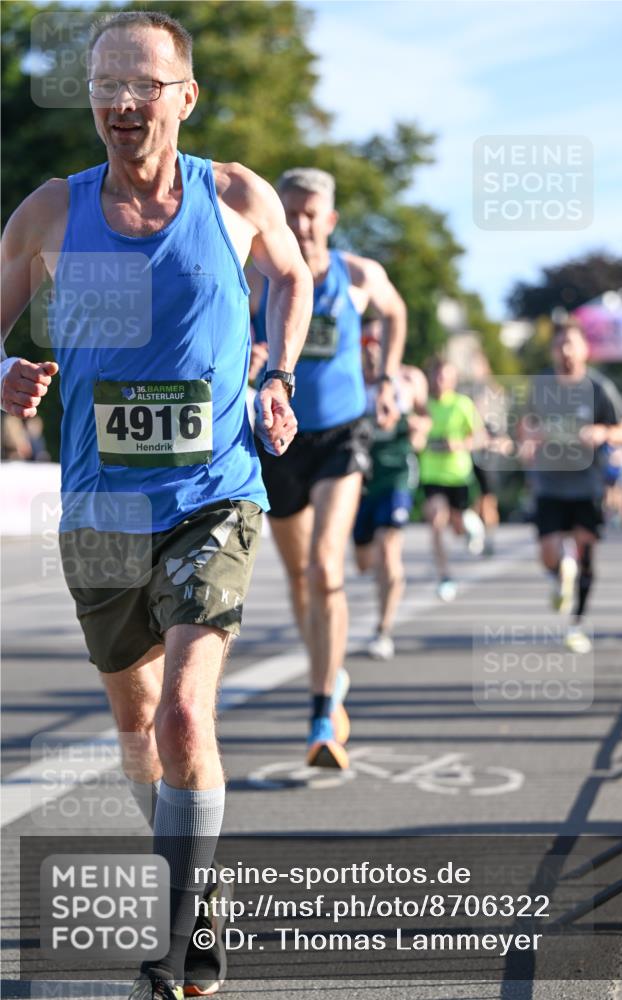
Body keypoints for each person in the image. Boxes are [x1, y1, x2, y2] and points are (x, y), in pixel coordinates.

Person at [0, 11, 312, 1000]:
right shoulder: (53, 209)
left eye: (143, 85)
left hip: (213, 490)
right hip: (100, 506)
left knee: (183, 715)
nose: (121, 103)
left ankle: (181, 935)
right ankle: (196, 887)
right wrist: (7, 367)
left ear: (183, 96)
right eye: (105, 86)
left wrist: (280, 373)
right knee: (136, 725)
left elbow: (291, 279)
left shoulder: (232, 196)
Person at [248, 167, 406, 769]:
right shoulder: (260, 279)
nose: (302, 224)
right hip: (282, 435)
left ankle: (320, 712)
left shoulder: (359, 276)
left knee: (323, 564)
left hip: (344, 431)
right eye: (290, 212)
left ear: (331, 219)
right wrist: (252, 353)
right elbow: (233, 338)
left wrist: (387, 377)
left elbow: (396, 314)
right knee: (296, 577)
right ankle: (329, 673)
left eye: (313, 213)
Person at [520, 320, 622, 653]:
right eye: (560, 345)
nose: (566, 351)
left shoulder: (599, 388)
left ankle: (576, 623)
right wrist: (531, 439)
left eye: (572, 344)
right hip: (549, 484)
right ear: (553, 350)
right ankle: (559, 576)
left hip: (587, 484)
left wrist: (603, 433)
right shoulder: (540, 385)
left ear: (585, 349)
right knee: (548, 553)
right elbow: (525, 426)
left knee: (585, 552)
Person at [353, 319, 431, 660]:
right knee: (364, 562)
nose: (373, 348)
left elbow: (426, 417)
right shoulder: (351, 381)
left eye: (380, 341)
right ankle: (384, 584)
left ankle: (383, 629)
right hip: (359, 479)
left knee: (389, 551)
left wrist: (419, 430)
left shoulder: (410, 379)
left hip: (398, 472)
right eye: (367, 340)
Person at [419, 357, 486, 601]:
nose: (440, 381)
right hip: (431, 476)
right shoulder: (423, 405)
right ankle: (445, 576)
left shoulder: (462, 404)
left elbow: (480, 438)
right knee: (436, 520)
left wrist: (458, 444)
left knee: (456, 527)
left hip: (458, 476)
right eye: (436, 376)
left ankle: (469, 522)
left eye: (445, 377)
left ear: (453, 380)